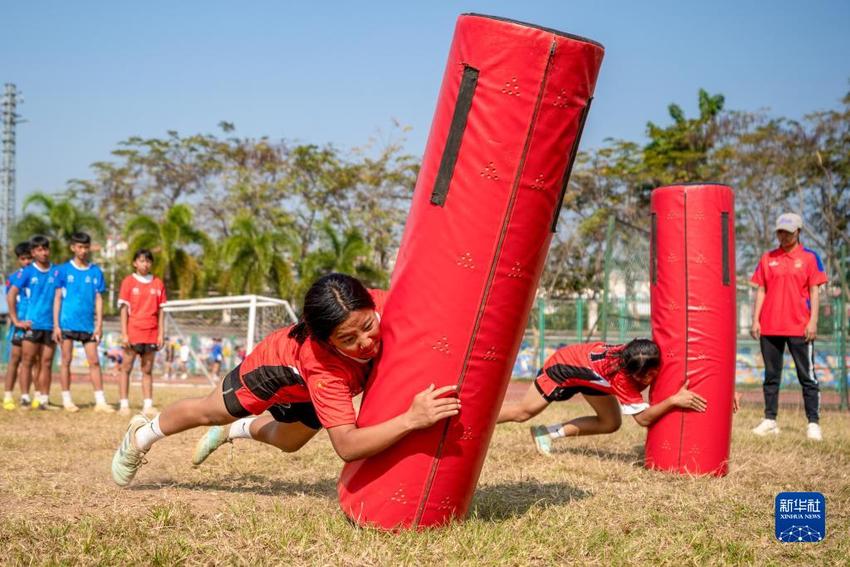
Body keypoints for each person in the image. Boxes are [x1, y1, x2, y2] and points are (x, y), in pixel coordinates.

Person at [111, 273, 460, 486]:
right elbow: (348, 446)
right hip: (276, 371)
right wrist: (411, 419)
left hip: (313, 385)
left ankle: (235, 432)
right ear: (326, 341)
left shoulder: (385, 304)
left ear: (371, 304)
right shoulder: (324, 367)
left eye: (368, 327)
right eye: (349, 340)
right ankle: (141, 436)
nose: (366, 343)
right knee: (211, 411)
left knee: (290, 443)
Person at [498, 339, 707, 455]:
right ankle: (475, 419)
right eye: (639, 377)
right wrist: (673, 400)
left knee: (610, 423)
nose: (645, 381)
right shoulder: (622, 377)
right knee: (523, 412)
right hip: (562, 368)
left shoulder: (645, 353)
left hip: (591, 374)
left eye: (648, 375)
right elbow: (643, 419)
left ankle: (546, 433)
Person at [750, 212, 828, 441]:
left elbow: (815, 291)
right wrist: (756, 319)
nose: (783, 236)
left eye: (788, 232)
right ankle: (770, 420)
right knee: (771, 376)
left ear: (798, 232)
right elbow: (761, 289)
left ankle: (813, 423)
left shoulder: (810, 258)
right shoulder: (767, 258)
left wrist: (813, 321)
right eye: (780, 231)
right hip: (770, 326)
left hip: (800, 327)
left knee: (808, 377)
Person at [52, 232, 113, 412]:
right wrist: (56, 325)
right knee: (66, 360)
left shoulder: (95, 271)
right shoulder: (63, 270)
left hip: (88, 325)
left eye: (86, 247)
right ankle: (66, 400)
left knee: (94, 361)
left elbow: (99, 299)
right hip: (67, 323)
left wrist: (99, 325)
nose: (83, 250)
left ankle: (100, 401)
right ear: (73, 248)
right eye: (80, 247)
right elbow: (57, 298)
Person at [7, 235, 60, 410]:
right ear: (33, 252)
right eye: (39, 249)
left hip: (50, 325)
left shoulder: (56, 271)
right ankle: (24, 398)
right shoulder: (27, 272)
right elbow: (11, 294)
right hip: (31, 324)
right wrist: (16, 320)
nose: (44, 252)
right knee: (26, 360)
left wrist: (57, 325)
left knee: (45, 362)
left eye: (46, 249)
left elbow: (60, 297)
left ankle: (43, 399)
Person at [117, 249, 167, 417]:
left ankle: (148, 405)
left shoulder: (158, 283)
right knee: (126, 368)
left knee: (147, 370)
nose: (144, 264)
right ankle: (124, 404)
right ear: (135, 263)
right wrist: (124, 333)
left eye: (147, 261)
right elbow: (124, 310)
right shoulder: (128, 282)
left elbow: (161, 311)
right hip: (133, 333)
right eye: (141, 261)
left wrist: (161, 333)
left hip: (151, 333)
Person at [3, 242, 36, 410]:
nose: (27, 261)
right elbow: (11, 300)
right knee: (15, 359)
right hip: (20, 324)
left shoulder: (40, 274)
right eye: (24, 259)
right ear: (19, 260)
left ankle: (31, 395)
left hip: (36, 324)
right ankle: (8, 395)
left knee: (32, 361)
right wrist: (16, 320)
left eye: (29, 258)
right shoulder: (15, 278)